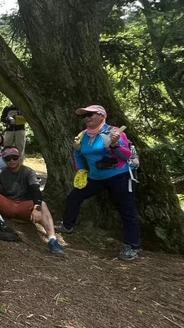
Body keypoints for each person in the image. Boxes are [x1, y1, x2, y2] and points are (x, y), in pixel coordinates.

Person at [56, 105, 140, 261]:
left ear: (102, 115)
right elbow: (77, 154)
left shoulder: (115, 132)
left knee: (127, 209)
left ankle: (132, 246)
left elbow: (127, 155)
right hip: (95, 178)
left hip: (119, 176)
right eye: (84, 116)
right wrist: (81, 171)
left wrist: (115, 145)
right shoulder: (82, 136)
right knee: (74, 197)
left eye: (91, 114)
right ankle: (67, 226)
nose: (87, 118)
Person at [0, 148, 63, 255]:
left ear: (20, 158)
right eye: (8, 159)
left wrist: (36, 207)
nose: (12, 161)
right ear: (4, 161)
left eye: (14, 157)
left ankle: (52, 239)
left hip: (24, 205)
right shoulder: (1, 172)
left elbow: (36, 189)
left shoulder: (28, 172)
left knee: (43, 205)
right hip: (9, 204)